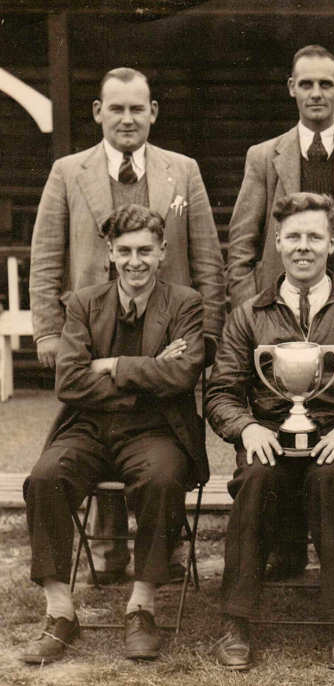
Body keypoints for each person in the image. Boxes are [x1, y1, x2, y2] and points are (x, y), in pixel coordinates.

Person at [28, 67, 225, 584]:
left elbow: (207, 258)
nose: (127, 118)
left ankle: (164, 552)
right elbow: (47, 255)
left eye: (138, 108)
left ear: (153, 112)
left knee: (159, 435)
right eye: (116, 108)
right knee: (96, 423)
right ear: (98, 113)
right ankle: (110, 549)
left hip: (168, 327)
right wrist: (49, 332)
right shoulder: (69, 172)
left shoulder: (182, 171)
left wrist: (207, 337)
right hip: (89, 326)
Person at [206, 192, 334, 671]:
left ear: (332, 243)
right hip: (271, 435)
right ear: (277, 241)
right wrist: (247, 427)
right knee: (255, 479)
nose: (303, 247)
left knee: (331, 479)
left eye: (314, 237)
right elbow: (221, 392)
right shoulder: (249, 314)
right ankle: (236, 620)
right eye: (293, 236)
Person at [225, 45, 334, 579]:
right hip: (278, 314)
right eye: (307, 84)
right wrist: (249, 314)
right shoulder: (265, 156)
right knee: (283, 414)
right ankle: (285, 547)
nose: (317, 94)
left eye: (326, 84)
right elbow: (242, 242)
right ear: (292, 88)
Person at [20, 204, 207, 664]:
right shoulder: (84, 303)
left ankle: (142, 606)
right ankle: (60, 611)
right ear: (110, 252)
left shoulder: (185, 303)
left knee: (163, 480)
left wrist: (112, 366)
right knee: (44, 479)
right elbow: (69, 382)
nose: (135, 261)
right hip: (88, 427)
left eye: (146, 250)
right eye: (125, 251)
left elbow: (183, 376)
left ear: (163, 252)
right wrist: (147, 373)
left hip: (156, 430)